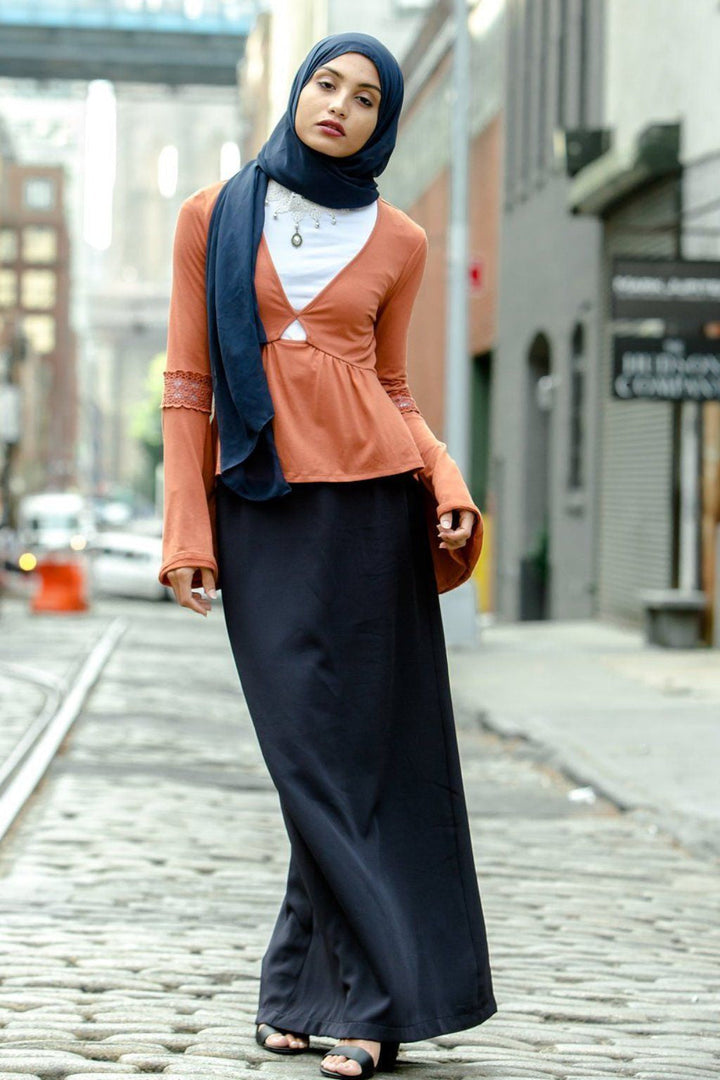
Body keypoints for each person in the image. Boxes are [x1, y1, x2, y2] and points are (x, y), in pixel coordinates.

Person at [158, 31, 497, 1080]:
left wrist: (446, 481)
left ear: (382, 122)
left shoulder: (400, 238)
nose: (339, 106)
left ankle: (344, 997)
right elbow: (186, 386)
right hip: (259, 503)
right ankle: (352, 984)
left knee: (352, 759)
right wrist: (187, 528)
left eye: (363, 97)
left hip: (370, 512)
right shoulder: (212, 217)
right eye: (326, 85)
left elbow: (390, 389)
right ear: (300, 93)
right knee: (307, 755)